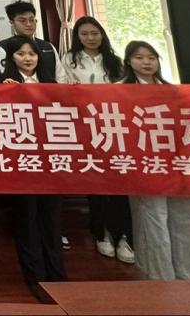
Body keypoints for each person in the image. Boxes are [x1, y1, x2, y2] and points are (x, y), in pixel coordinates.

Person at [122, 41, 190, 281]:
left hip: (178, 162)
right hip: (145, 164)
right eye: (139, 57)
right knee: (153, 218)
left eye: (151, 57)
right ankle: (158, 276)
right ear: (129, 61)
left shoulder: (174, 90)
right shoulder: (120, 90)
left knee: (186, 217)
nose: (146, 62)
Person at [58, 17, 134, 265]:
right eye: (84, 34)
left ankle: (124, 236)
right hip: (85, 127)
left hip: (114, 127)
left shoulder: (115, 61)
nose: (90, 38)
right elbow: (61, 89)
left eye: (94, 33)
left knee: (119, 184)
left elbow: (127, 92)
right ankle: (101, 233)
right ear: (77, 37)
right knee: (95, 181)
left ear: (102, 34)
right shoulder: (69, 59)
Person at [0, 36, 66, 301]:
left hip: (51, 163)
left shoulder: (52, 85)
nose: (27, 58)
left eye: (32, 54)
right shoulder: (2, 84)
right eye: (21, 54)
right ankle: (35, 277)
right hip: (21, 164)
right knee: (27, 221)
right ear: (11, 58)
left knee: (51, 220)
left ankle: (57, 275)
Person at [0, 0, 58, 82]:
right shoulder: (4, 46)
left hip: (49, 88)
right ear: (12, 22)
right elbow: (7, 76)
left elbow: (60, 76)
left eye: (32, 20)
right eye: (22, 20)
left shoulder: (48, 46)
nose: (28, 24)